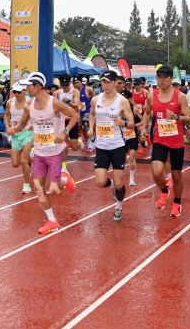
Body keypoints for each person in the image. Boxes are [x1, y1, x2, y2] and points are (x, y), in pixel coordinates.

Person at [12, 72, 80, 234]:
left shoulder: (54, 103)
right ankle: (52, 220)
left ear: (38, 86)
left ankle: (65, 178)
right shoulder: (29, 106)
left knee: (55, 189)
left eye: (28, 86)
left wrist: (64, 132)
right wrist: (12, 129)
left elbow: (75, 115)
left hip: (54, 152)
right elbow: (21, 125)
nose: (26, 89)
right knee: (39, 187)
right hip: (39, 153)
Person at [140, 65, 190, 217]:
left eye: (165, 77)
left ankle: (177, 202)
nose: (162, 80)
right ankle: (164, 191)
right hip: (160, 139)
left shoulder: (180, 96)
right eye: (159, 77)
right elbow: (147, 113)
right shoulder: (152, 96)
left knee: (176, 176)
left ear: (171, 79)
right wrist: (143, 128)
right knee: (157, 173)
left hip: (176, 141)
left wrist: (177, 117)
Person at [87, 70, 136, 222]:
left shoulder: (122, 101)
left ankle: (119, 208)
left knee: (121, 183)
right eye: (103, 82)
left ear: (115, 83)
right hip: (101, 146)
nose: (106, 85)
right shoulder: (96, 99)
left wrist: (124, 123)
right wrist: (91, 128)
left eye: (109, 82)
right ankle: (113, 184)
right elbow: (92, 114)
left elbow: (132, 123)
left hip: (118, 146)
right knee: (100, 182)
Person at [5, 80, 34, 194]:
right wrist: (8, 127)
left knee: (23, 160)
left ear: (25, 91)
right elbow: (6, 115)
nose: (16, 94)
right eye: (14, 92)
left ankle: (26, 185)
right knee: (15, 164)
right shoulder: (10, 102)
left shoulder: (30, 102)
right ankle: (31, 157)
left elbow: (38, 116)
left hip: (27, 133)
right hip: (15, 134)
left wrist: (33, 125)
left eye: (19, 92)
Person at [53, 73, 82, 181]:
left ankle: (79, 142)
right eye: (63, 85)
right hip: (61, 121)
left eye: (66, 85)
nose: (64, 87)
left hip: (72, 120)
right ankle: (63, 166)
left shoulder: (74, 92)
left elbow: (77, 105)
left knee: (74, 148)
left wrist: (68, 102)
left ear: (70, 83)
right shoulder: (57, 93)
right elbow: (54, 106)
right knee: (63, 145)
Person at [74, 75, 95, 152]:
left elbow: (95, 97)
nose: (77, 84)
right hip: (80, 112)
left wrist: (94, 106)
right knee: (81, 127)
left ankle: (88, 141)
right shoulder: (74, 92)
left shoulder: (87, 89)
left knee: (83, 125)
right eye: (75, 83)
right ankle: (89, 139)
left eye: (78, 82)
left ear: (81, 82)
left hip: (88, 110)